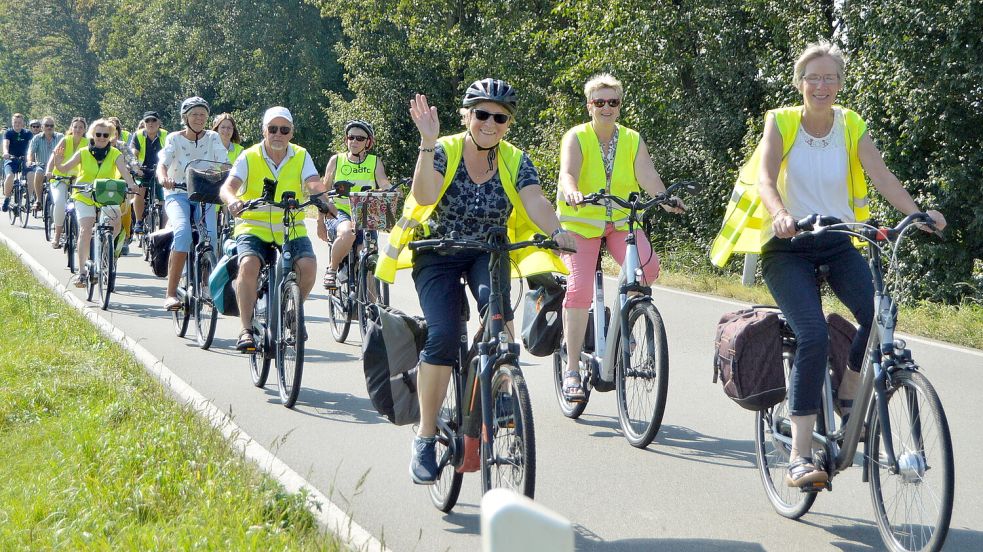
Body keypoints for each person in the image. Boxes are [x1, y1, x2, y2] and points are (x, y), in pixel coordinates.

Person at [711, 42, 947, 487]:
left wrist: (916, 214)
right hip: (789, 246)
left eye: (830, 78)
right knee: (813, 334)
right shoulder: (780, 122)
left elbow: (881, 175)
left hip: (839, 241)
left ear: (840, 83)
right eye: (813, 78)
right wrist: (780, 213)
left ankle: (849, 390)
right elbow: (765, 175)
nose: (821, 86)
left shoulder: (851, 124)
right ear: (800, 83)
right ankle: (800, 456)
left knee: (878, 314)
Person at [375, 78, 575, 485]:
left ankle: (500, 386)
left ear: (507, 123)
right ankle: (426, 437)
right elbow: (426, 195)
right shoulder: (445, 149)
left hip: (488, 251)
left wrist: (556, 230)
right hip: (439, 254)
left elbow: (534, 198)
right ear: (467, 115)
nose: (490, 122)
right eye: (482, 113)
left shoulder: (516, 159)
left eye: (499, 117)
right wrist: (426, 142)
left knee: (498, 318)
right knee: (445, 337)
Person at [555, 73, 684, 402]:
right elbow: (567, 173)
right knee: (579, 289)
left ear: (620, 105)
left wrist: (665, 197)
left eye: (613, 101)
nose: (607, 107)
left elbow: (648, 175)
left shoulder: (631, 139)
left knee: (647, 269)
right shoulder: (577, 137)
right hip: (581, 223)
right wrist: (572, 192)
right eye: (600, 102)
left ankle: (623, 323)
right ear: (589, 106)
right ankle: (571, 369)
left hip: (622, 221)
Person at [219, 106, 329, 351]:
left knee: (309, 266)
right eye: (273, 129)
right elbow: (229, 187)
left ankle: (292, 309)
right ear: (264, 131)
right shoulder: (249, 156)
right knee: (248, 266)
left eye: (284, 129)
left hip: (290, 224)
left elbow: (314, 183)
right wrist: (233, 200)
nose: (278, 134)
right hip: (253, 225)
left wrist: (326, 205)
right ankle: (246, 328)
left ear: (291, 133)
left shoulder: (301, 155)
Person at [157, 96, 230, 311]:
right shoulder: (174, 138)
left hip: (205, 194)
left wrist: (227, 176)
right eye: (194, 114)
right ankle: (170, 293)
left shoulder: (213, 138)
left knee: (211, 237)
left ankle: (206, 287)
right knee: (182, 232)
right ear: (185, 118)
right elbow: (163, 163)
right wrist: (163, 177)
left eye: (203, 114)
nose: (199, 118)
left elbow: (224, 162)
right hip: (177, 193)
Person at [52, 119, 137, 286]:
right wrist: (57, 161)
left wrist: (132, 185)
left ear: (111, 136)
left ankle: (106, 249)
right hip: (84, 195)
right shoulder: (83, 152)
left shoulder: (115, 154)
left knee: (116, 222)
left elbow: (125, 173)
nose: (102, 137)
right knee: (85, 229)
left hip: (107, 195)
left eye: (106, 135)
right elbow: (64, 168)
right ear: (92, 134)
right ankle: (82, 272)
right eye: (98, 134)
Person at [318, 119, 390, 290]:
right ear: (346, 139)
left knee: (368, 258)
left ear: (368, 142)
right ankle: (332, 269)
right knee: (348, 232)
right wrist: (320, 222)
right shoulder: (336, 160)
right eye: (351, 137)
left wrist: (390, 190)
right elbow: (322, 193)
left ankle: (372, 309)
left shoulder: (374, 162)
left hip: (366, 212)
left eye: (360, 138)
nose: (354, 142)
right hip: (341, 212)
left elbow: (384, 182)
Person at [46, 117, 88, 247]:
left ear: (85, 129)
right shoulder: (65, 140)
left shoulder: (87, 143)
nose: (77, 130)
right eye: (75, 127)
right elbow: (54, 156)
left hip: (78, 179)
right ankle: (57, 236)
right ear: (71, 128)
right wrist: (49, 170)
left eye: (80, 127)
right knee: (59, 202)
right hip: (60, 177)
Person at [130, 111, 168, 234]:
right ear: (144, 123)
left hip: (161, 171)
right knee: (140, 190)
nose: (151, 123)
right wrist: (136, 167)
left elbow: (170, 153)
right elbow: (133, 153)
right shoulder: (138, 135)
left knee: (165, 198)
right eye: (147, 121)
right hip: (143, 171)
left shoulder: (166, 135)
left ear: (159, 123)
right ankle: (139, 221)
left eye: (153, 121)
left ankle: (164, 229)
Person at [27, 116, 63, 211]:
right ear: (42, 127)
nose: (49, 127)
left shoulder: (60, 137)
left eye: (51, 125)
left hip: (56, 166)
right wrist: (30, 161)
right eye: (47, 125)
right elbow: (30, 152)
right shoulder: (37, 138)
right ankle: (39, 200)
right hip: (41, 165)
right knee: (38, 173)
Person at [2, 113, 34, 211]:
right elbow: (5, 144)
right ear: (12, 123)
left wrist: (30, 157)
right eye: (15, 122)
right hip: (11, 159)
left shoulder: (28, 133)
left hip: (25, 159)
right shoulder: (8, 133)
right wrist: (6, 153)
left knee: (31, 174)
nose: (17, 124)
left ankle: (29, 199)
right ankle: (7, 198)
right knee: (10, 176)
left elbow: (31, 146)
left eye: (19, 122)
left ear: (23, 123)